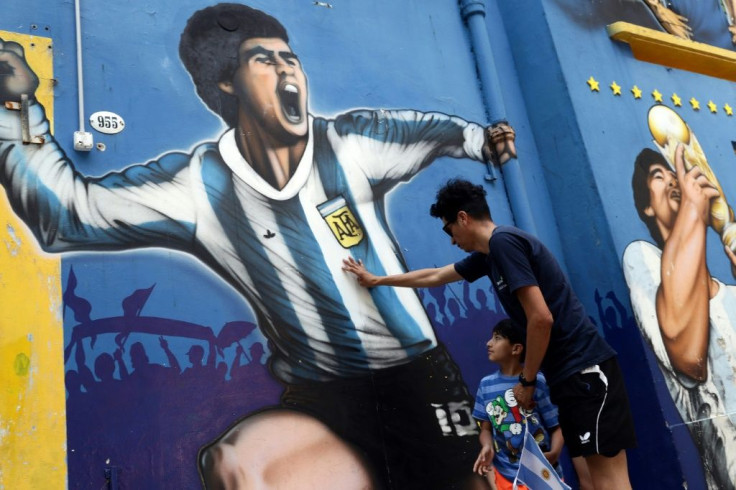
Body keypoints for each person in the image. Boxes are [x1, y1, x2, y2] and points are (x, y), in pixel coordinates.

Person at [0, 4, 517, 488]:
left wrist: (482, 140)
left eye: (290, 57)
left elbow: (435, 131)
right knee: (236, 462)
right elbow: (69, 215)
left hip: (415, 376)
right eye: (264, 60)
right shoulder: (198, 186)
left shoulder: (351, 142)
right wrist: (17, 107)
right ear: (228, 82)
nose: (287, 69)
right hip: (322, 393)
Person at [343, 178, 636, 490]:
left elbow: (540, 318)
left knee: (609, 481)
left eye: (448, 229)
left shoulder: (503, 244)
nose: (452, 240)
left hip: (585, 372)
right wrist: (377, 280)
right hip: (573, 376)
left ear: (463, 218)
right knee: (598, 477)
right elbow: (436, 275)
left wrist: (526, 381)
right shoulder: (489, 256)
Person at [623, 146, 736, 490]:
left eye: (677, 176)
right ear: (646, 204)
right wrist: (692, 213)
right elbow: (690, 358)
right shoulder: (641, 260)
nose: (675, 180)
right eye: (660, 176)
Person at [472, 318, 564, 490]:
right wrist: (487, 446)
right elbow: (485, 429)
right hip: (507, 478)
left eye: (497, 338)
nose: (488, 343)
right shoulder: (486, 385)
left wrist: (555, 453)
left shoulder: (538, 382)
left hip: (543, 476)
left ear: (516, 348)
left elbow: (557, 426)